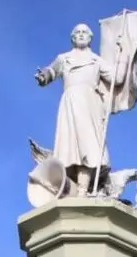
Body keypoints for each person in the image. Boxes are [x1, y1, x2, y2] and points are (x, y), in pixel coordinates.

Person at [34, 23, 126, 196]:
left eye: (85, 32)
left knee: (88, 146)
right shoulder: (64, 58)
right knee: (69, 148)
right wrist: (43, 76)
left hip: (90, 104)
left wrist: (123, 54)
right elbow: (51, 71)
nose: (81, 34)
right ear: (73, 38)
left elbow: (118, 78)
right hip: (70, 103)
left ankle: (84, 189)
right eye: (78, 32)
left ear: (90, 38)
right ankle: (72, 186)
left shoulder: (96, 60)